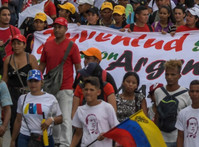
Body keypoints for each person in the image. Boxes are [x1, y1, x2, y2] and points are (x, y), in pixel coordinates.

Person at [38, 17, 81, 147]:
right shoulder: (48, 44)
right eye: (55, 27)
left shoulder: (72, 46)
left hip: (66, 87)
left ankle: (65, 144)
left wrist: (77, 87)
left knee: (66, 118)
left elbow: (78, 69)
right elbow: (42, 66)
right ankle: (56, 142)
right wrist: (38, 82)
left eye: (60, 27)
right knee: (52, 116)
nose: (57, 29)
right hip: (50, 87)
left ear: (66, 29)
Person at [11, 69, 62, 147]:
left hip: (45, 137)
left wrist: (51, 120)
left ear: (41, 82)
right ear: (27, 82)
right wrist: (13, 140)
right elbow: (18, 120)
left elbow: (60, 118)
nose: (33, 84)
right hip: (25, 137)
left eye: (36, 81)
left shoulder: (50, 98)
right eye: (30, 81)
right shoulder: (22, 98)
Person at [69, 77, 119, 147]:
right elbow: (78, 133)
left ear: (98, 92)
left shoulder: (107, 107)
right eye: (86, 89)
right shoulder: (80, 110)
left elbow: (116, 129)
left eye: (92, 90)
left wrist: (105, 135)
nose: (88, 92)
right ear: (83, 91)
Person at [152, 59, 191, 147]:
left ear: (179, 76)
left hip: (179, 139)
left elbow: (189, 119)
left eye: (173, 74)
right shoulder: (158, 92)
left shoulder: (186, 94)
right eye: (167, 74)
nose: (169, 77)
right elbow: (157, 115)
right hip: (161, 138)